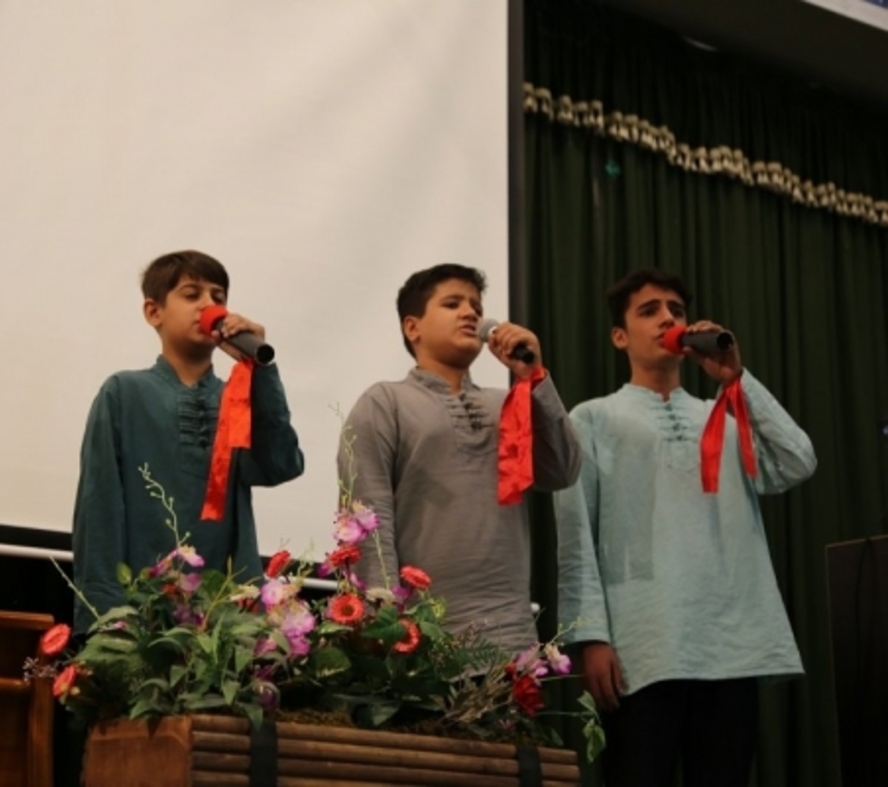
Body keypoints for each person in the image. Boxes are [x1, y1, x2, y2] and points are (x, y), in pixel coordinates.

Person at [554, 268, 816, 787]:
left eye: (676, 310)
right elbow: (576, 536)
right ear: (620, 336)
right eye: (649, 310)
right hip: (641, 647)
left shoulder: (724, 419)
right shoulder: (591, 419)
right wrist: (590, 637)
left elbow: (797, 461)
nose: (668, 319)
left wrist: (736, 381)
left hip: (730, 648)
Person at [341, 263, 581, 652]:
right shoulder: (385, 401)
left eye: (476, 306)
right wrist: (383, 620)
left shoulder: (507, 403)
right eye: (453, 304)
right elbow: (369, 513)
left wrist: (533, 376)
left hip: (512, 635)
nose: (471, 313)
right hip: (422, 634)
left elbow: (562, 471)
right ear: (412, 327)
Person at [72, 250, 304, 633]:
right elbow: (98, 509)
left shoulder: (236, 397)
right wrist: (105, 618)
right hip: (140, 616)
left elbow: (279, 465)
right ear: (154, 312)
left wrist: (261, 370)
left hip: (226, 618)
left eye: (218, 297)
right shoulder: (124, 393)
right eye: (192, 294)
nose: (208, 306)